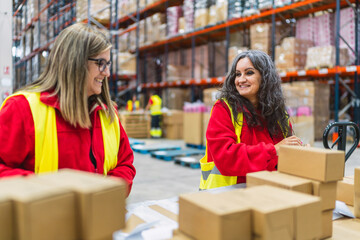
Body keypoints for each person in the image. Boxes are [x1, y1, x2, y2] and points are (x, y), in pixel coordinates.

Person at [0, 23, 136, 194]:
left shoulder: (108, 114)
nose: (107, 73)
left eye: (108, 64)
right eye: (101, 63)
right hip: (43, 218)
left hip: (97, 216)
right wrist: (48, 193)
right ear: (75, 62)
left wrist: (105, 193)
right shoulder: (22, 109)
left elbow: (125, 163)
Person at [199, 50, 303, 190]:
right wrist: (274, 150)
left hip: (267, 191)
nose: (241, 79)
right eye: (237, 74)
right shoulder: (224, 108)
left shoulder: (277, 113)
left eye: (249, 73)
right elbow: (226, 158)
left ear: (265, 77)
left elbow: (284, 152)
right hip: (227, 195)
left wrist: (299, 151)